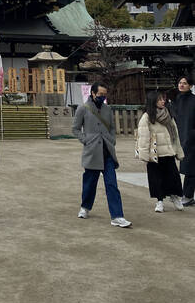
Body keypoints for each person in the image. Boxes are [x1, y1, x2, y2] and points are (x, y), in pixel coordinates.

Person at [72, 81, 132, 227]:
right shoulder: (83, 108)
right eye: (100, 94)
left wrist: (112, 140)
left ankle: (117, 216)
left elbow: (111, 127)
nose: (102, 97)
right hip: (92, 152)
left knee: (112, 184)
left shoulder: (107, 109)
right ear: (92, 93)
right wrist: (86, 140)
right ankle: (85, 207)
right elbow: (75, 129)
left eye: (104, 95)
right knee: (90, 183)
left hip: (107, 151)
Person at [136, 90, 184, 212]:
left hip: (168, 151)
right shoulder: (147, 117)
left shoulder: (169, 114)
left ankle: (175, 197)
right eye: (160, 99)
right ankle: (160, 201)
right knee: (156, 179)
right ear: (153, 101)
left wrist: (178, 151)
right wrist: (144, 155)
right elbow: (143, 137)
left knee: (173, 176)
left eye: (164, 99)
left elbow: (175, 135)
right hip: (155, 154)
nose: (163, 101)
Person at [172, 75, 195, 206]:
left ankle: (188, 195)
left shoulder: (193, 100)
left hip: (191, 138)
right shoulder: (177, 99)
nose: (181, 85)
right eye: (180, 82)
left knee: (190, 168)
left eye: (185, 83)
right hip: (181, 137)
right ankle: (181, 193)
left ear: (190, 86)